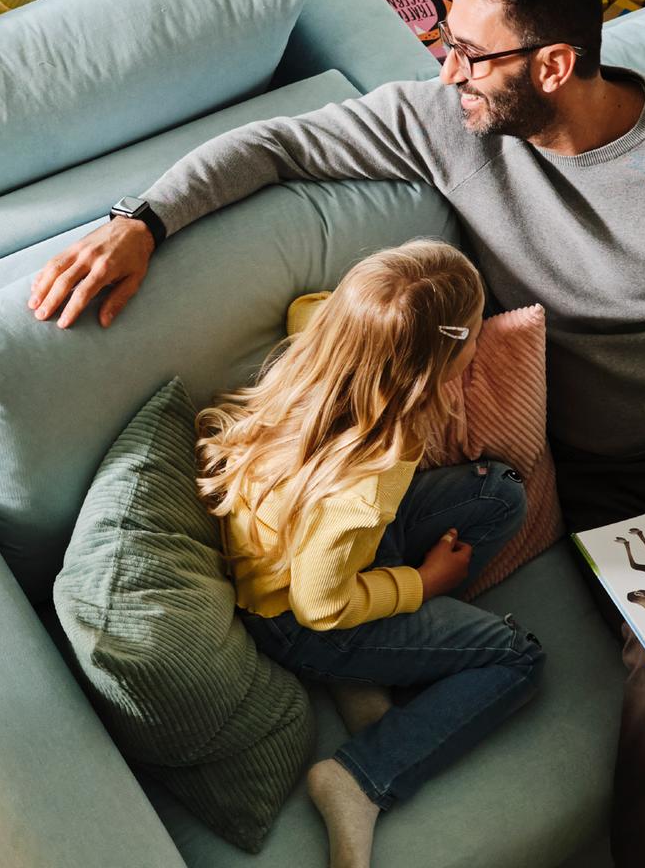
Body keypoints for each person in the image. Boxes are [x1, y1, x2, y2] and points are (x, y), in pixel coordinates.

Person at [28, 0, 645, 867]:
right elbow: (279, 146)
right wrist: (143, 221)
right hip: (604, 476)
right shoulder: (449, 125)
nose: (447, 72)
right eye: (443, 46)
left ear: (554, 64)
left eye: (468, 53)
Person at [198, 239, 543, 868]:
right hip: (302, 621)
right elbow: (320, 604)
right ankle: (359, 779)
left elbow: (313, 307)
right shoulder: (364, 481)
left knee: (499, 494)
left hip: (327, 555)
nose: (479, 343)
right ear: (435, 365)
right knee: (516, 661)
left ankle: (374, 671)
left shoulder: (324, 345)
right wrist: (422, 584)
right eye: (473, 335)